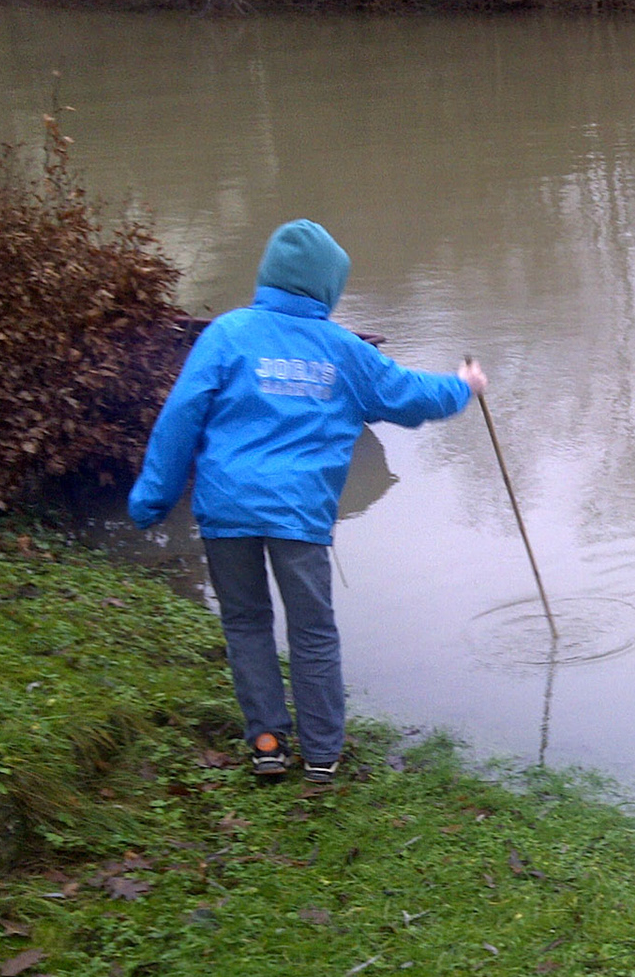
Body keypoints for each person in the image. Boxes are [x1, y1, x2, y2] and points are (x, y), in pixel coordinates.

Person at [129, 219, 487, 784]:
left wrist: (152, 498)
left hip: (227, 510)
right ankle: (321, 754)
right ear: (327, 286)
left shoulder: (226, 334)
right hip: (298, 515)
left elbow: (179, 419)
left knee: (245, 624)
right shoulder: (343, 350)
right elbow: (410, 395)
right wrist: (463, 384)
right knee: (312, 632)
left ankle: (268, 743)